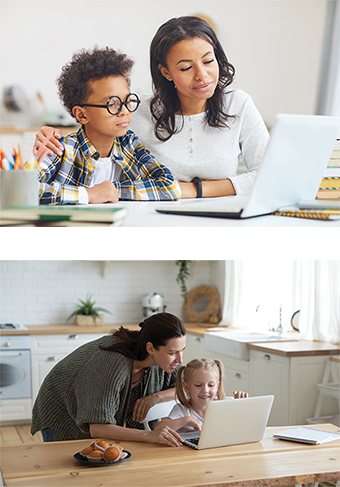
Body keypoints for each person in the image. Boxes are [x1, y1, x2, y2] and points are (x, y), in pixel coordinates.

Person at [33, 16, 269, 199]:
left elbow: (270, 177)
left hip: (221, 216)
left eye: (209, 61)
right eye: (186, 68)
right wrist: (52, 137)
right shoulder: (136, 111)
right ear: (166, 72)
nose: (202, 75)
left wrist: (192, 190)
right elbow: (95, 125)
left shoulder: (239, 104)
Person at [38, 47, 180, 205]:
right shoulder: (61, 149)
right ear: (81, 115)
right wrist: (87, 195)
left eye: (127, 100)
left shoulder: (129, 145)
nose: (124, 111)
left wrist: (112, 190)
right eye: (112, 104)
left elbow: (170, 187)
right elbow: (18, 190)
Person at [30, 313, 186, 446]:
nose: (179, 359)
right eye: (173, 353)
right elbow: (98, 428)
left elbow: (187, 386)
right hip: (62, 413)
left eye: (182, 351)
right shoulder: (111, 364)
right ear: (151, 348)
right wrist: (149, 435)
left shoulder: (164, 362)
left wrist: (155, 397)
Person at [159, 358, 248, 433]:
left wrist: (241, 406)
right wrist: (186, 420)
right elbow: (158, 429)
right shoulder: (182, 410)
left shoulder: (224, 405)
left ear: (218, 386)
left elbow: (242, 426)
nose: (205, 390)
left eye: (211, 385)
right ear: (186, 387)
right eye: (198, 385)